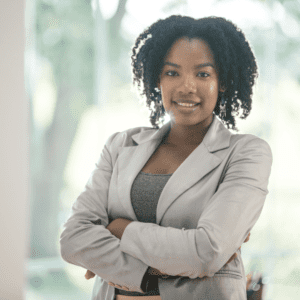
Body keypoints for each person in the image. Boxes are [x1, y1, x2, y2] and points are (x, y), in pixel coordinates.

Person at [60, 15, 272, 300]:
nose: (186, 86)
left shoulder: (246, 153)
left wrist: (121, 230)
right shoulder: (121, 145)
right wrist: (149, 274)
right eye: (172, 73)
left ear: (222, 81)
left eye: (203, 74)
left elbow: (205, 251)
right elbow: (73, 239)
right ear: (157, 78)